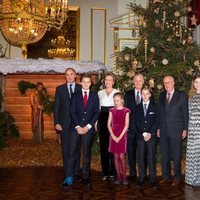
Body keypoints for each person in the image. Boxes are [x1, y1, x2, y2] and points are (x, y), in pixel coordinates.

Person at [66, 74, 100, 186]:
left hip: (88, 129)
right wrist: (78, 126)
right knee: (72, 153)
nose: (86, 83)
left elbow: (96, 113)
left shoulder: (95, 96)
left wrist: (88, 126)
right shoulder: (75, 96)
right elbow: (72, 112)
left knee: (86, 153)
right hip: (76, 129)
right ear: (81, 83)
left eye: (88, 82)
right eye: (84, 81)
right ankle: (69, 176)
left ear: (91, 83)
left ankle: (85, 176)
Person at [157, 75, 188, 186]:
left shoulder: (181, 96)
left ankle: (177, 177)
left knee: (176, 155)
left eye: (169, 82)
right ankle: (166, 176)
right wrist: (159, 128)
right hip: (163, 130)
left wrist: (185, 129)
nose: (167, 85)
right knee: (165, 154)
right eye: (165, 83)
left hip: (177, 130)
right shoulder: (161, 96)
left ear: (173, 83)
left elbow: (185, 113)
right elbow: (159, 114)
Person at [54, 68, 82, 186]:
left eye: (72, 74)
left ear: (75, 75)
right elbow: (56, 107)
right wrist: (57, 122)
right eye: (67, 75)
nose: (70, 76)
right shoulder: (60, 89)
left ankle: (75, 172)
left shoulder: (81, 88)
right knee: (66, 149)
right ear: (65, 77)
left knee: (76, 148)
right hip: (64, 124)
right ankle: (67, 173)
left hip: (77, 124)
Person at [98, 72, 120, 180]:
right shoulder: (99, 93)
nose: (108, 82)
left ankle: (113, 171)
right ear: (104, 81)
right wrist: (96, 123)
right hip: (102, 120)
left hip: (114, 120)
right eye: (106, 80)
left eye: (110, 80)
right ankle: (105, 172)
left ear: (113, 81)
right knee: (104, 146)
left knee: (114, 146)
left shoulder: (117, 92)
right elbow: (98, 109)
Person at [135, 87, 158, 188]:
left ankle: (153, 179)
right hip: (141, 137)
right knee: (141, 158)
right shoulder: (137, 107)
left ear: (150, 95)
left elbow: (157, 121)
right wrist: (144, 134)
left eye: (146, 94)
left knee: (151, 158)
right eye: (143, 94)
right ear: (141, 95)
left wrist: (150, 133)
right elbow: (136, 122)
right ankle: (141, 178)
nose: (144, 96)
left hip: (151, 137)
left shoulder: (155, 107)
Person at [124, 73, 144, 180]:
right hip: (130, 128)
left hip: (143, 130)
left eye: (140, 80)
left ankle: (142, 174)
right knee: (131, 151)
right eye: (136, 81)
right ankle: (132, 173)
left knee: (142, 152)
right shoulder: (128, 94)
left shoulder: (148, 93)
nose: (138, 83)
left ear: (143, 81)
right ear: (133, 82)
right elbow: (125, 111)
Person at [107, 92, 130, 185]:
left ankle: (124, 177)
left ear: (122, 100)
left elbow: (126, 125)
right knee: (115, 157)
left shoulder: (126, 111)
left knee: (121, 156)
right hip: (113, 135)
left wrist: (119, 137)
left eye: (118, 100)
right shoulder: (111, 110)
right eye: (115, 101)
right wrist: (113, 136)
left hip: (122, 135)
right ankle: (118, 176)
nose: (116, 102)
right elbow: (108, 124)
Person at [185, 75, 200, 186]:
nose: (198, 84)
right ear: (193, 84)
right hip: (193, 132)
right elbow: (188, 115)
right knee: (193, 155)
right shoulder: (190, 98)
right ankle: (192, 179)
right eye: (196, 82)